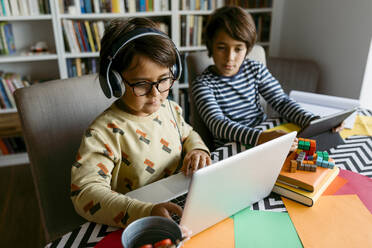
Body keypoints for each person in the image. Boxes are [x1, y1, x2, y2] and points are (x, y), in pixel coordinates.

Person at [70, 17, 211, 231]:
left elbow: (188, 133)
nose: (156, 94)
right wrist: (143, 211)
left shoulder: (170, 109)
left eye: (164, 80)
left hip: (177, 203)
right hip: (134, 220)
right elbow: (85, 193)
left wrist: (197, 149)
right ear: (114, 82)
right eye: (141, 83)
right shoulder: (103, 133)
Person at [192, 6, 325, 149]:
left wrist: (313, 121)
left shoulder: (255, 70)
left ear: (247, 49)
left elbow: (281, 101)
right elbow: (218, 124)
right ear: (211, 46)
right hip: (234, 147)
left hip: (266, 136)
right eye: (221, 48)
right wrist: (260, 138)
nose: (230, 58)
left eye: (238, 49)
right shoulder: (202, 85)